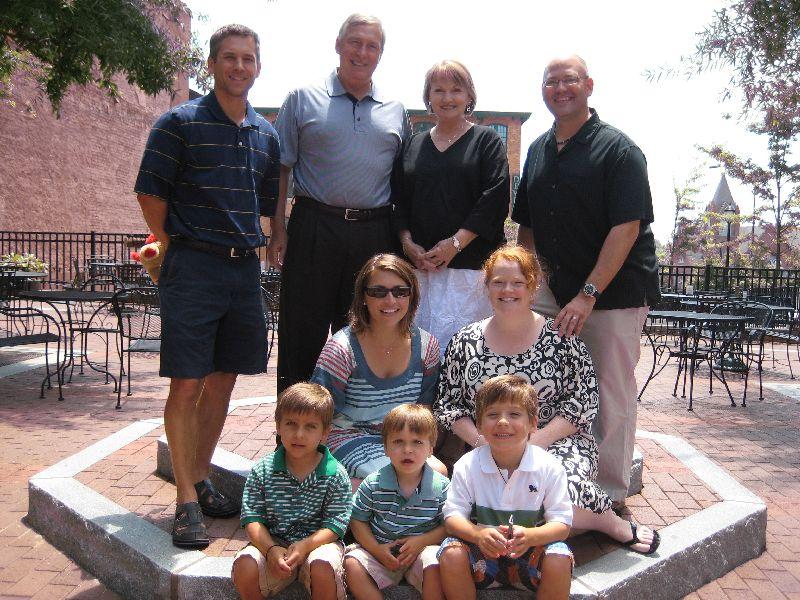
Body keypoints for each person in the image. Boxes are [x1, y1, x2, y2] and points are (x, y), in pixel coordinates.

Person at [134, 24, 279, 548]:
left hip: (243, 272)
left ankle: (198, 476)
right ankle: (186, 502)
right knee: (187, 384)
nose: (239, 67)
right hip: (193, 268)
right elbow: (150, 193)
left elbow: (265, 205)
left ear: (257, 66)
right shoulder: (178, 123)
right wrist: (173, 242)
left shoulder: (266, 133)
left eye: (248, 58)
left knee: (223, 381)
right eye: (229, 58)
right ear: (211, 64)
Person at [435, 245, 659, 554]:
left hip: (555, 441)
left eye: (517, 282)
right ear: (487, 286)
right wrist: (479, 441)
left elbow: (582, 402)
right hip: (490, 442)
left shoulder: (561, 338)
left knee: (560, 489)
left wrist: (534, 442)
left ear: (533, 286)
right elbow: (448, 405)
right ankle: (533, 533)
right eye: (498, 282)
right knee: (475, 499)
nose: (507, 290)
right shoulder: (465, 340)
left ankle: (607, 522)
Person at [512, 55, 660, 506]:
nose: (560, 88)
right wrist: (526, 285)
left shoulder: (619, 150)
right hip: (552, 291)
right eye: (551, 81)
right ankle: (545, 479)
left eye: (569, 80)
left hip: (612, 293)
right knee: (535, 380)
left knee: (610, 392)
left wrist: (587, 295)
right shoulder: (537, 149)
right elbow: (528, 227)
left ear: (589, 86)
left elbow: (627, 227)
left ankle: (610, 493)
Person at [269, 14, 410, 393]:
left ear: (380, 54)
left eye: (372, 46)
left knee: (368, 335)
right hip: (315, 226)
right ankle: (294, 442)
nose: (362, 52)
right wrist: (277, 229)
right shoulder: (302, 99)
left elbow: (403, 183)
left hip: (374, 234)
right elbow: (281, 168)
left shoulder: (396, 111)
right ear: (338, 44)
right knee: (303, 334)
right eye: (355, 42)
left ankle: (360, 433)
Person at [393, 60, 509, 352]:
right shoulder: (412, 145)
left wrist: (455, 244)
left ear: (469, 96)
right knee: (419, 356)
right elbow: (398, 200)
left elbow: (494, 199)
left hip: (470, 274)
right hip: (420, 271)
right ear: (428, 97)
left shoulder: (487, 141)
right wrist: (407, 243)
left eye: (456, 90)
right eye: (438, 90)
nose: (447, 98)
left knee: (468, 354)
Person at [310, 254, 445, 486]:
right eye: (378, 292)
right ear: (363, 297)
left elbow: (425, 410)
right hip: (348, 435)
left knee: (438, 473)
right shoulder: (341, 349)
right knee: (390, 479)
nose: (390, 300)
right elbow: (318, 413)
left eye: (400, 291)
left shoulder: (427, 347)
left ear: (412, 296)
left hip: (404, 438)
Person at [438, 375, 573, 600]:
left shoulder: (548, 466)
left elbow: (562, 524)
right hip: (481, 557)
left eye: (514, 414)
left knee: (559, 557)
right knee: (450, 552)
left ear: (533, 423)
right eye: (492, 415)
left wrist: (530, 536)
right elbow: (452, 517)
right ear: (479, 424)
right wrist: (478, 533)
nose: (502, 422)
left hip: (530, 555)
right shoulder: (468, 465)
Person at [231, 383, 352, 600]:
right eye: (291, 424)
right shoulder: (263, 470)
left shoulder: (335, 474)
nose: (299, 434)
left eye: (310, 427)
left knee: (323, 566)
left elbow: (336, 524)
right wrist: (270, 550)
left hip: (318, 545)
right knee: (245, 566)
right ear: (278, 426)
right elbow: (252, 519)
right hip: (274, 543)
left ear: (325, 433)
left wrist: (306, 545)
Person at [344, 404, 449, 600]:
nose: (407, 450)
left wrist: (423, 541)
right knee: (351, 564)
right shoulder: (373, 483)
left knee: (435, 562)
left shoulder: (441, 486)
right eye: (398, 442)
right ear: (385, 448)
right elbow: (357, 519)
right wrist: (376, 549)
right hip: (380, 553)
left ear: (430, 449)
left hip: (420, 554)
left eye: (417, 442)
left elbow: (448, 525)